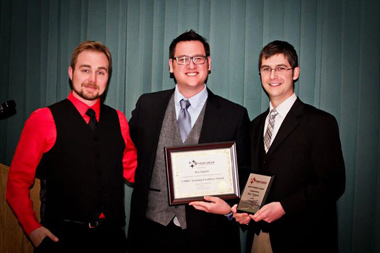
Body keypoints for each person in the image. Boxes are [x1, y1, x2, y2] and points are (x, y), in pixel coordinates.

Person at [6, 41, 137, 252]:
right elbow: (17, 181)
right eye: (85, 70)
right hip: (61, 239)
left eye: (100, 72)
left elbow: (133, 172)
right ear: (71, 72)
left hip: (112, 238)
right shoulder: (43, 119)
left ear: (107, 77)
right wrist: (32, 229)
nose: (92, 80)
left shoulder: (119, 120)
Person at [127, 30, 251, 253]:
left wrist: (230, 209)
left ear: (209, 63)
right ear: (171, 65)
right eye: (182, 59)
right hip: (151, 232)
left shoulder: (234, 115)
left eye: (198, 58)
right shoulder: (147, 106)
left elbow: (244, 173)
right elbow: (125, 150)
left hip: (209, 235)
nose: (191, 65)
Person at [232, 40, 346, 253]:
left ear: (295, 73)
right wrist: (244, 209)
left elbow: (333, 184)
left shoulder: (320, 122)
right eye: (266, 69)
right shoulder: (255, 125)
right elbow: (254, 178)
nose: (273, 76)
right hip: (259, 238)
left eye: (281, 68)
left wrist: (284, 207)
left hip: (305, 239)